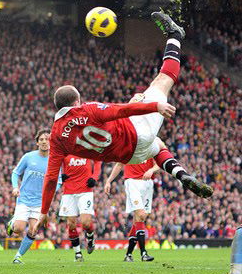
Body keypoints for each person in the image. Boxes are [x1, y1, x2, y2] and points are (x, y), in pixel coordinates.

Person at [37, 12, 213, 231]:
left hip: (130, 156)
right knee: (163, 81)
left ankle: (181, 174)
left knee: (157, 146)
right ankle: (175, 35)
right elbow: (121, 111)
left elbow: (51, 178)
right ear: (77, 100)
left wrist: (44, 212)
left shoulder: (56, 138)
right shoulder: (88, 109)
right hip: (136, 132)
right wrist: (153, 106)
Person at [6, 129, 58, 264]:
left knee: (34, 231)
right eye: (41, 139)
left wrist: (52, 193)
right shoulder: (28, 157)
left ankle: (18, 257)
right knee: (18, 229)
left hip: (39, 202)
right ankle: (12, 223)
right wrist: (15, 187)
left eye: (47, 139)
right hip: (24, 199)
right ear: (37, 143)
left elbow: (58, 181)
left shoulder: (55, 160)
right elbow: (15, 173)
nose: (44, 142)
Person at [105, 158, 160, 262]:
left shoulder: (150, 145)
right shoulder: (129, 147)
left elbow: (159, 164)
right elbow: (119, 165)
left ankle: (128, 254)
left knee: (139, 220)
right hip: (133, 182)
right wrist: (109, 181)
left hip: (148, 183)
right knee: (141, 215)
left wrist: (152, 170)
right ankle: (143, 253)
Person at [59, 155, 101, 262]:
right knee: (71, 223)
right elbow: (54, 164)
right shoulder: (65, 148)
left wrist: (94, 177)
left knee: (85, 223)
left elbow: (97, 161)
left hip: (85, 190)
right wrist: (60, 176)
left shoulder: (86, 145)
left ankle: (90, 237)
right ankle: (78, 253)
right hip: (69, 191)